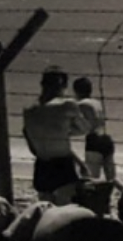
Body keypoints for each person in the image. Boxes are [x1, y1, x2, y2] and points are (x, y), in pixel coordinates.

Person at [23, 65, 92, 204]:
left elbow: (34, 147)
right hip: (62, 166)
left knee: (45, 209)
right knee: (66, 210)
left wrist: (60, 131)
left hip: (42, 165)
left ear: (42, 84)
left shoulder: (29, 111)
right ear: (63, 85)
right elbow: (85, 128)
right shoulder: (67, 105)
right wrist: (67, 130)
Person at [72, 77, 117, 186]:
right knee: (111, 178)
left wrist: (68, 133)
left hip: (94, 140)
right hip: (106, 139)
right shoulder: (97, 102)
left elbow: (86, 127)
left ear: (75, 91)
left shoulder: (81, 105)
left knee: (91, 178)